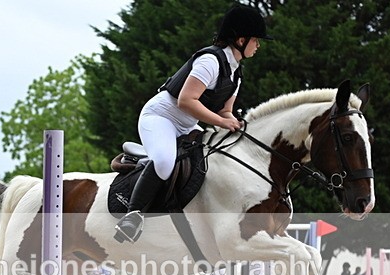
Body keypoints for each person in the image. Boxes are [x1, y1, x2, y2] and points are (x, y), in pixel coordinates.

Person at [115, 5, 272, 242]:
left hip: (187, 125)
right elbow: (186, 100)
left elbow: (225, 111)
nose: (258, 45)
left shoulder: (236, 73)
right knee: (165, 162)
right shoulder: (210, 61)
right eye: (255, 40)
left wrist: (238, 124)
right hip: (161, 117)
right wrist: (221, 121)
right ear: (241, 40)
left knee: (214, 159)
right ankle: (132, 215)